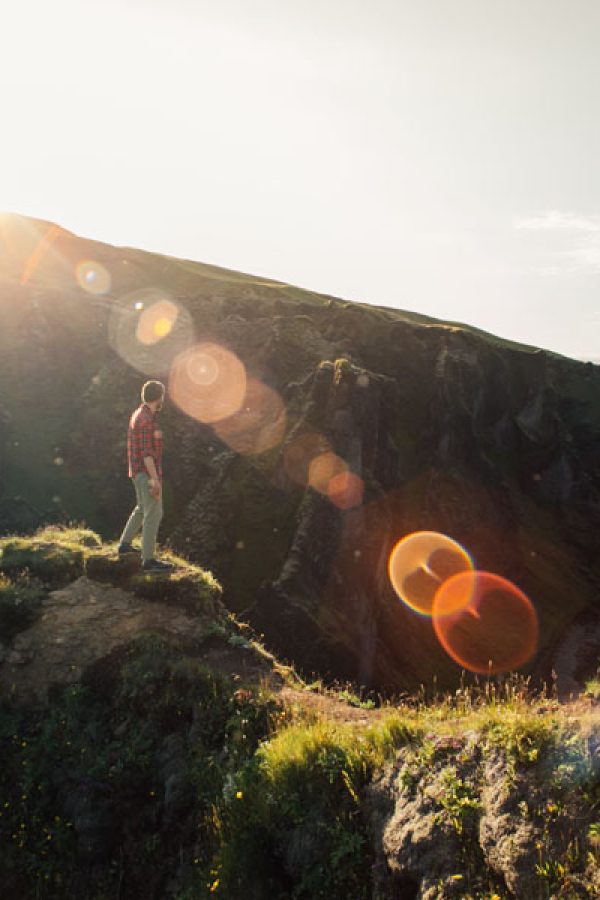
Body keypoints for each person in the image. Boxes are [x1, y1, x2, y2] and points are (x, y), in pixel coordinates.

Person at [117, 380, 174, 572]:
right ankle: (148, 560)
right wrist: (155, 480)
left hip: (137, 472)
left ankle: (124, 545)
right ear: (159, 397)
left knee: (142, 509)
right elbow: (147, 453)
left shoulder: (138, 415)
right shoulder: (146, 420)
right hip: (146, 472)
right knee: (154, 513)